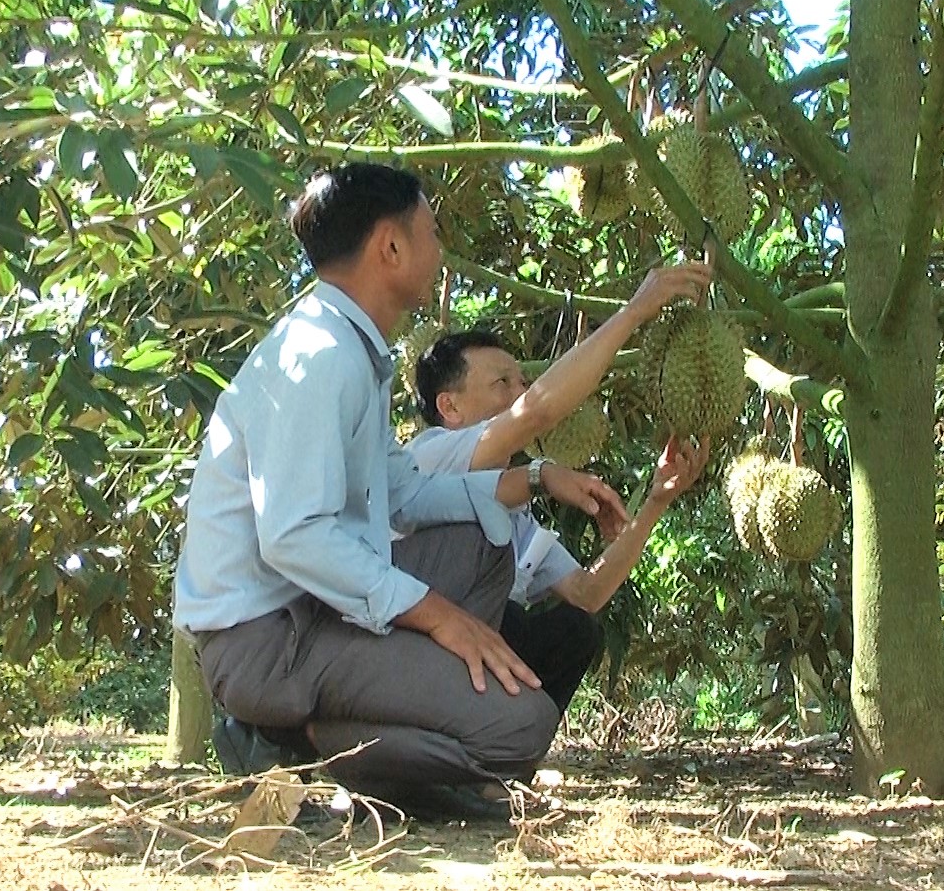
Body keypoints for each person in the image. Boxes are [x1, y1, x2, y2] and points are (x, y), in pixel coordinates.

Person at [174, 163, 628, 820]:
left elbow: (405, 494)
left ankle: (387, 752)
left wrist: (531, 479)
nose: (440, 250)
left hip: (314, 617)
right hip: (267, 644)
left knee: (485, 537)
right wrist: (440, 617)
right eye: (431, 232)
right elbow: (294, 535)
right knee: (520, 727)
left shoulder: (352, 353)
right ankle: (284, 741)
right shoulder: (316, 357)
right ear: (390, 247)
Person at [404, 265, 712, 714]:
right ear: (449, 406)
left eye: (521, 381)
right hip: (407, 648)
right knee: (500, 600)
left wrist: (657, 500)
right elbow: (537, 413)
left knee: (574, 629)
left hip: (470, 661)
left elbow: (588, 591)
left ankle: (499, 758)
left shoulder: (518, 519)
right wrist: (635, 312)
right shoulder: (431, 454)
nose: (519, 392)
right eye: (501, 383)